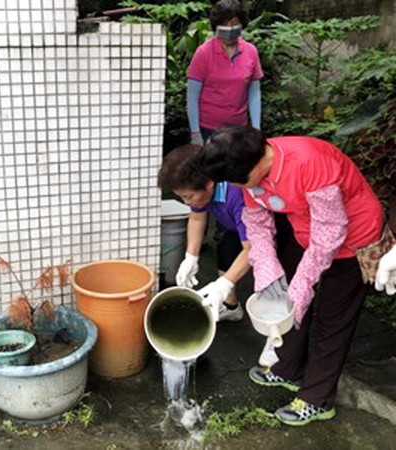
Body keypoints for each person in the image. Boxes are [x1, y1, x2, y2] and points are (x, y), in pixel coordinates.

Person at [198, 126, 385, 426]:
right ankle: (287, 369)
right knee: (281, 295)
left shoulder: (309, 163)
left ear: (257, 165)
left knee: (331, 320)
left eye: (238, 181)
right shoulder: (246, 170)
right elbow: (257, 223)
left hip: (353, 239)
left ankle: (317, 398)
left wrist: (303, 282)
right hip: (305, 231)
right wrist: (267, 268)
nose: (235, 187)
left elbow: (329, 234)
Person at [158, 144, 250, 322]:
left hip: (274, 230)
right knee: (226, 255)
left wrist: (225, 283)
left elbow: (252, 248)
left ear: (209, 184)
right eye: (182, 197)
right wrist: (190, 257)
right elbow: (197, 219)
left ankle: (275, 337)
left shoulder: (237, 195)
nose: (187, 201)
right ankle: (231, 308)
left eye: (188, 196)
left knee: (272, 281)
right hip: (232, 226)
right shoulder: (199, 190)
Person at [187, 0, 262, 146]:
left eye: (234, 23)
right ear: (216, 26)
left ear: (242, 24)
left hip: (239, 129)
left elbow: (254, 93)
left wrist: (256, 128)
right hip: (208, 129)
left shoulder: (251, 51)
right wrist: (195, 133)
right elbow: (192, 97)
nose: (230, 28)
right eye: (225, 24)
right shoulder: (203, 53)